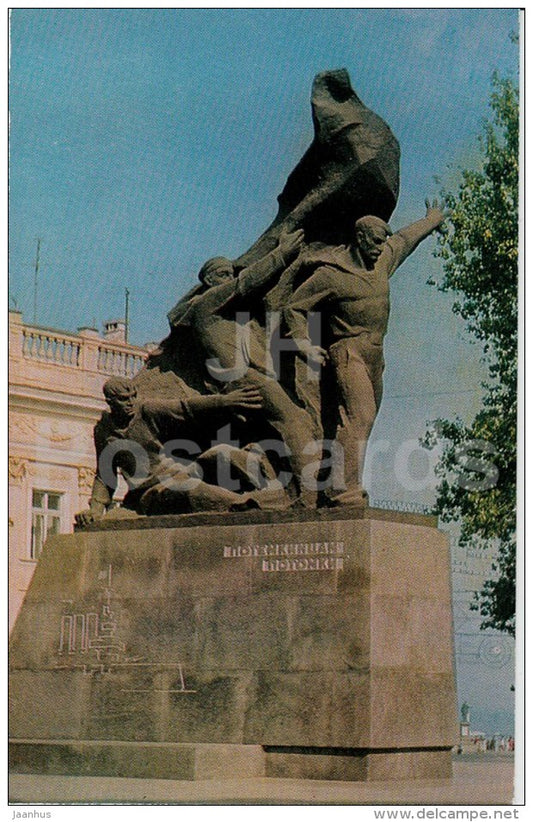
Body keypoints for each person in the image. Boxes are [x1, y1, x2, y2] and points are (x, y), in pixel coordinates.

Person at [283, 200, 445, 505]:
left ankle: (337, 483)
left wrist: (432, 220)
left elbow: (406, 239)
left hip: (375, 356)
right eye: (374, 241)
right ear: (359, 238)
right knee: (361, 416)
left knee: (362, 421)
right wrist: (304, 345)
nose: (380, 248)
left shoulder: (383, 259)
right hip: (348, 352)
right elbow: (294, 307)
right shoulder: (332, 274)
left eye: (383, 241)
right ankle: (344, 491)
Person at [173, 229, 319, 508]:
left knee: (287, 426)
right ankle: (308, 496)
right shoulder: (206, 304)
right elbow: (245, 283)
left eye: (230, 273)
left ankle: (280, 489)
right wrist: (282, 254)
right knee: (294, 419)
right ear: (207, 280)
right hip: (241, 380)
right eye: (222, 275)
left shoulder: (234, 318)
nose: (228, 279)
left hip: (244, 379)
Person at [75, 376, 287, 525]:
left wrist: (224, 401)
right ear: (110, 402)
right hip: (152, 493)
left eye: (133, 396)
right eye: (124, 399)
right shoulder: (104, 432)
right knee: (192, 490)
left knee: (221, 453)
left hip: (183, 470)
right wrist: (94, 510)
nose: (131, 402)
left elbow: (185, 407)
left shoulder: (147, 411)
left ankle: (272, 489)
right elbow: (105, 477)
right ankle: (252, 505)